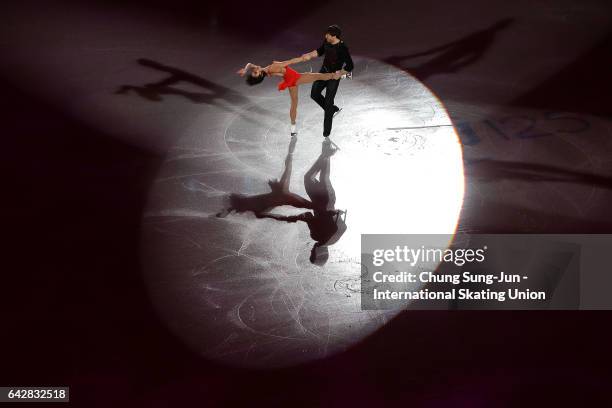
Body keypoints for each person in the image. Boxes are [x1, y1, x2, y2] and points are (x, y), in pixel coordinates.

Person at [237, 58, 347, 136]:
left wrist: (245, 69)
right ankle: (345, 75)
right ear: (260, 74)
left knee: (294, 103)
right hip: (296, 78)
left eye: (253, 71)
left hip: (290, 81)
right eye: (255, 72)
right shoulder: (272, 67)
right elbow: (289, 62)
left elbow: (250, 64)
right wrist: (303, 58)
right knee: (320, 76)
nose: (255, 69)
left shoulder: (264, 70)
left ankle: (293, 128)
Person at [300, 25, 354, 137]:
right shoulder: (327, 41)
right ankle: (331, 109)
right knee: (314, 94)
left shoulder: (342, 48)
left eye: (328, 34)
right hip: (323, 72)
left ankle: (326, 132)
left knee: (329, 102)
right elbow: (320, 50)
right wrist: (309, 55)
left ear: (334, 36)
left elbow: (350, 65)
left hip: (334, 76)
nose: (326, 36)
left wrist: (340, 73)